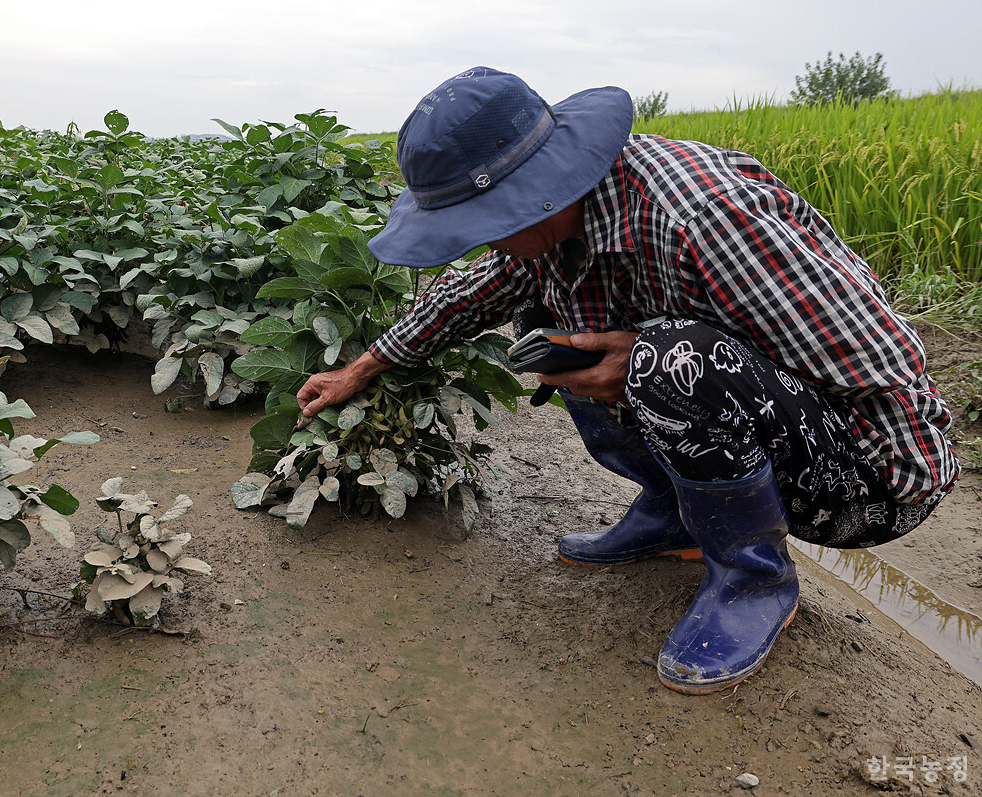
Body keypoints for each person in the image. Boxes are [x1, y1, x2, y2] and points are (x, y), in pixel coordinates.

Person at [294, 66, 958, 695]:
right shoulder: (558, 221)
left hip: (872, 471)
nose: (479, 244)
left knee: (667, 360)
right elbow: (471, 294)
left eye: (479, 226)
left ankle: (754, 578)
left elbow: (883, 367)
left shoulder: (704, 218)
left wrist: (650, 362)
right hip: (775, 418)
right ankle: (678, 519)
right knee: (553, 331)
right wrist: (358, 371)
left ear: (528, 195)